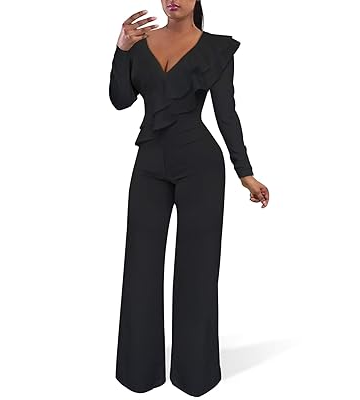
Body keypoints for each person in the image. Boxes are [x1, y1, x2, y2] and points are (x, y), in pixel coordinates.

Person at [109, 1, 269, 396]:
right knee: (140, 266)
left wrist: (245, 172)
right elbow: (120, 100)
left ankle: (195, 375)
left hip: (200, 165)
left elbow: (226, 113)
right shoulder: (140, 44)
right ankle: (138, 373)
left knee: (197, 270)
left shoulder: (216, 49)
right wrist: (121, 49)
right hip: (149, 164)